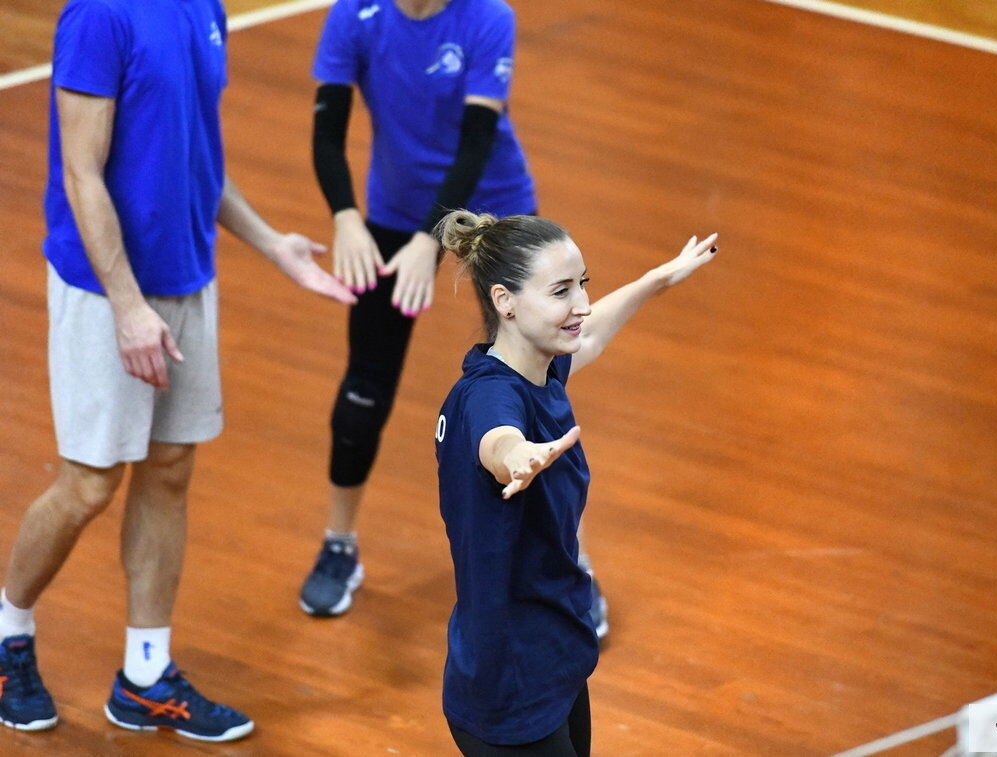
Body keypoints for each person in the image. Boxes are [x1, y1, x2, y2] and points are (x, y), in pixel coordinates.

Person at [0, 0, 354, 742]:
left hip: (188, 278)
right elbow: (82, 172)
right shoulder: (98, 18)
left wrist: (271, 244)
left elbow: (196, 158)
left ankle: (145, 675)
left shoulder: (202, 8)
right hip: (106, 290)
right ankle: (8, 635)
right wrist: (127, 306)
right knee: (89, 482)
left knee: (168, 470)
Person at [302, 0, 608, 635]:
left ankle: (570, 559)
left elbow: (475, 141)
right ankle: (338, 543)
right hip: (392, 214)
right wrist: (346, 217)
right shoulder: (354, 15)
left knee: (537, 379)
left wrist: (430, 238)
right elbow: (327, 129)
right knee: (364, 389)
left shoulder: (487, 17)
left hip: (495, 214)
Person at [433, 210, 717, 756]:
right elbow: (497, 438)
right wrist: (517, 457)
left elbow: (595, 331)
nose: (582, 304)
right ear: (504, 301)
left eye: (582, 283)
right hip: (510, 683)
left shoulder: (538, 368)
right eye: (561, 291)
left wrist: (657, 280)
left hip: (552, 651)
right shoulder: (490, 396)